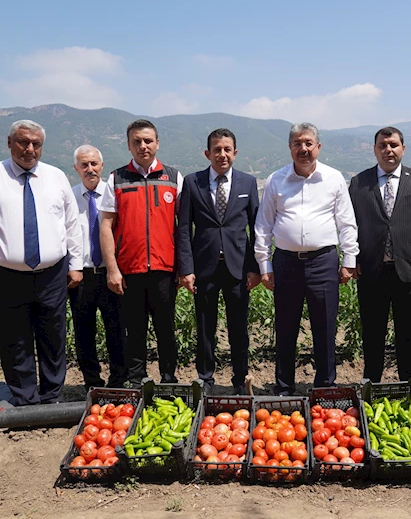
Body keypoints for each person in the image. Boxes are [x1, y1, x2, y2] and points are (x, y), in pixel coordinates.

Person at [0, 120, 83, 405]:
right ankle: (25, 399)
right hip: (6, 275)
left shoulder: (56, 177)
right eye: (23, 142)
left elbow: (72, 225)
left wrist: (76, 263)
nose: (30, 149)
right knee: (14, 339)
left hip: (52, 274)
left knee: (53, 336)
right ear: (9, 142)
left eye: (36, 144)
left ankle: (51, 396)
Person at [254, 122, 359, 395]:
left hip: (323, 262)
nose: (303, 149)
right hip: (286, 262)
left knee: (325, 326)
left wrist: (349, 260)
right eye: (298, 144)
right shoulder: (276, 179)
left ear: (318, 147)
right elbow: (263, 226)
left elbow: (346, 223)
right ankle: (284, 386)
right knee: (286, 326)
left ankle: (325, 385)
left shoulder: (334, 178)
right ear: (290, 148)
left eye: (308, 143)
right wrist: (264, 264)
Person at [348, 126, 411, 382]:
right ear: (375, 150)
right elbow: (349, 224)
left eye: (394, 145)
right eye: (383, 145)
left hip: (409, 270)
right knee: (372, 331)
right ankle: (372, 383)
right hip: (371, 269)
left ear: (403, 149)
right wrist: (352, 259)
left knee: (408, 332)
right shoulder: (359, 182)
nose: (388, 149)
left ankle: (408, 382)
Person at [177, 129, 261, 396]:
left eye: (227, 149)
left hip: (238, 268)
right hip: (205, 268)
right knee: (205, 326)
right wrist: (186, 269)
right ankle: (206, 379)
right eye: (217, 149)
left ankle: (239, 379)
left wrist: (255, 267)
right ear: (207, 153)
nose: (222, 154)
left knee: (239, 326)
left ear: (235, 153)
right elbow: (183, 229)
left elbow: (255, 227)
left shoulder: (248, 183)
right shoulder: (193, 183)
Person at [100, 119, 183, 387]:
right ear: (128, 145)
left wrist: (183, 267)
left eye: (148, 140)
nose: (143, 146)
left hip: (164, 269)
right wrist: (112, 268)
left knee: (166, 330)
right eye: (137, 141)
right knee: (134, 331)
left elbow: (183, 227)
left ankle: (169, 380)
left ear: (157, 143)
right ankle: (136, 381)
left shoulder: (173, 177)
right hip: (129, 270)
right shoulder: (116, 178)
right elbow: (106, 226)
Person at [69, 145, 128, 390]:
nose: (90, 169)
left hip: (110, 273)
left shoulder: (114, 194)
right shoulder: (69, 196)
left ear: (102, 166)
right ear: (76, 169)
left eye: (94, 164)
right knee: (84, 333)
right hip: (80, 275)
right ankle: (91, 381)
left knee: (117, 329)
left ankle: (118, 380)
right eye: (84, 165)